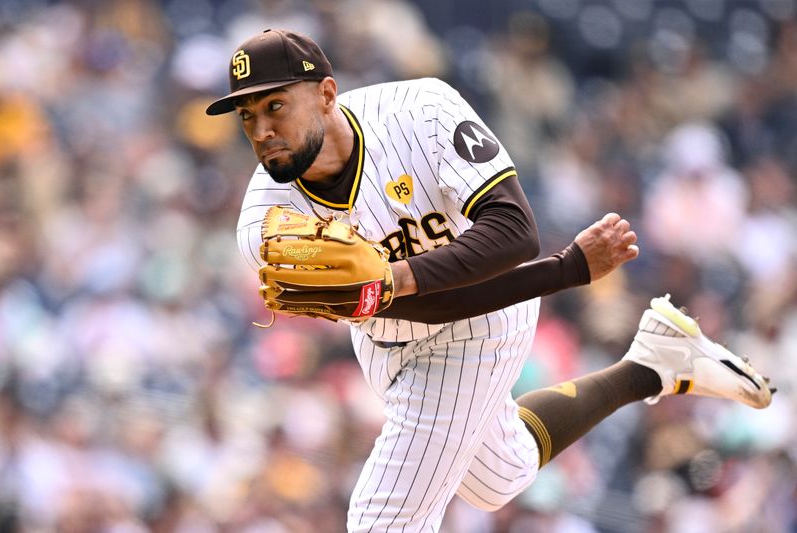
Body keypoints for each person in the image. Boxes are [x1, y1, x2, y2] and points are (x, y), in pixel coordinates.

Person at [206, 29, 773, 532]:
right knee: (498, 477)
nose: (261, 130)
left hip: (485, 312)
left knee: (383, 520)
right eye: (247, 116)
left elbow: (514, 231)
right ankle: (650, 366)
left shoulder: (419, 110)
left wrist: (564, 270)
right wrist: (387, 290)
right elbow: (401, 308)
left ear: (327, 93)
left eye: (275, 106)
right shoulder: (265, 223)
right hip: (390, 337)